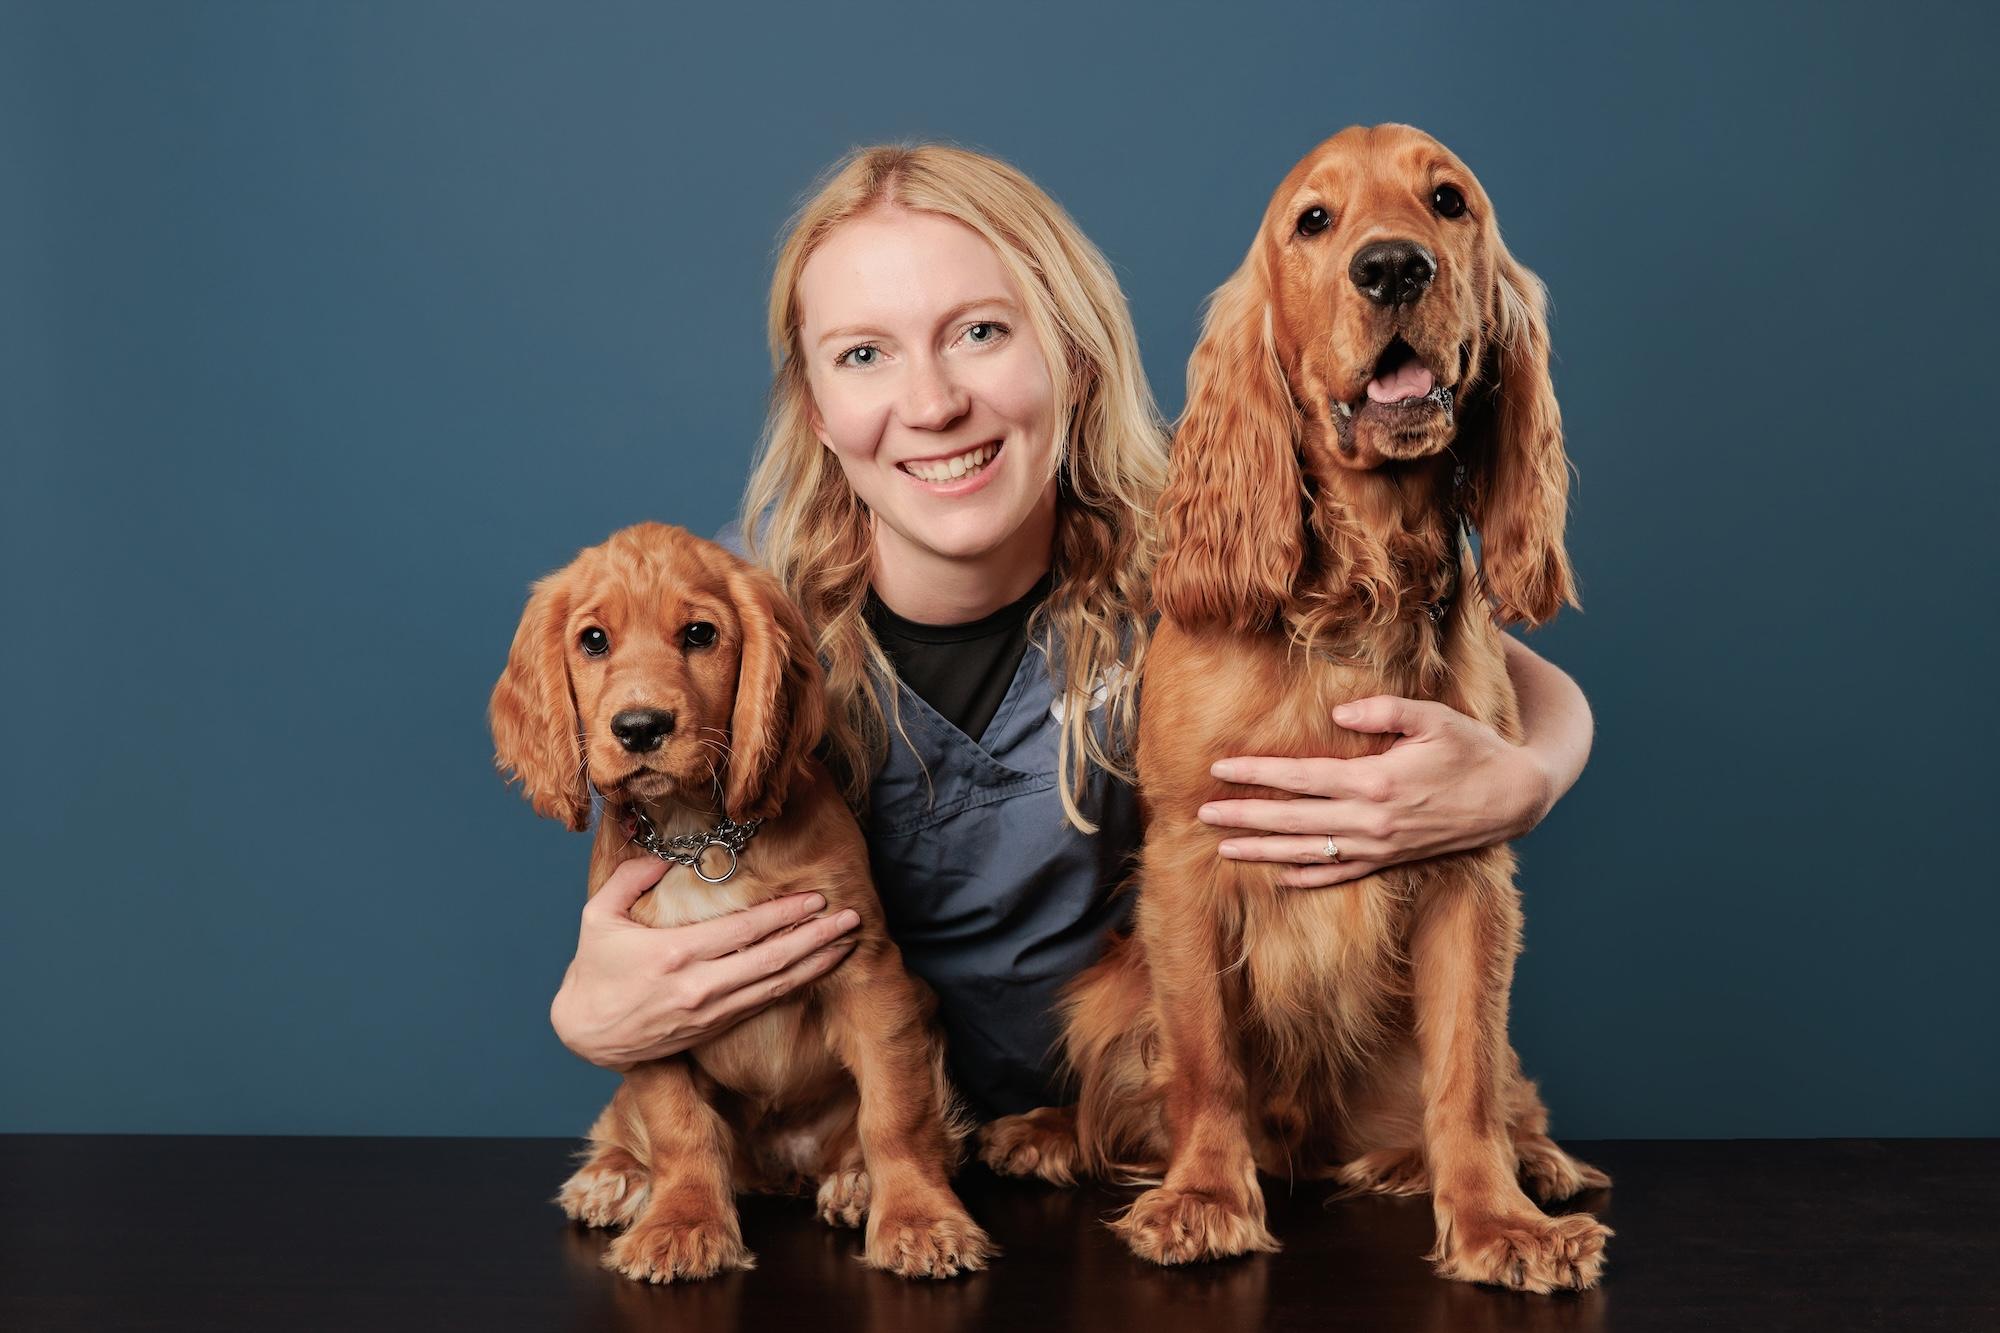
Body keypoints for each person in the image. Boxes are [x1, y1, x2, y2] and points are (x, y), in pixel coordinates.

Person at [546, 143, 1595, 1120]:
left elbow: (1504, 677)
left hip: (1120, 1128)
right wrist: (589, 1015)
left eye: (980, 333)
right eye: (863, 354)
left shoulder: (1190, 556)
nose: (932, 402)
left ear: (1073, 357)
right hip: (853, 1148)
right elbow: (641, 797)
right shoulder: (736, 613)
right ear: (816, 406)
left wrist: (1525, 781)